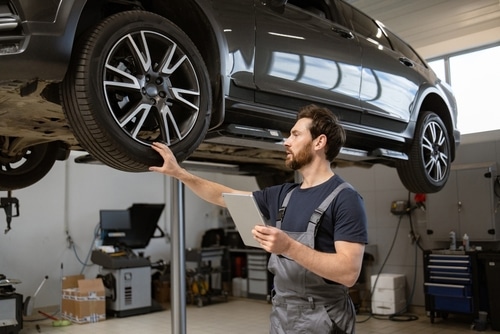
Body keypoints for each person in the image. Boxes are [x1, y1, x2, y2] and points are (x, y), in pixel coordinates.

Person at [149, 104, 368, 334]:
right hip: (282, 314)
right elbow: (225, 197)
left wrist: (289, 247)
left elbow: (349, 272)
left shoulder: (345, 199)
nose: (286, 141)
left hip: (324, 318)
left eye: (295, 134)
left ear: (319, 142)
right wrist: (180, 173)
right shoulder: (283, 195)